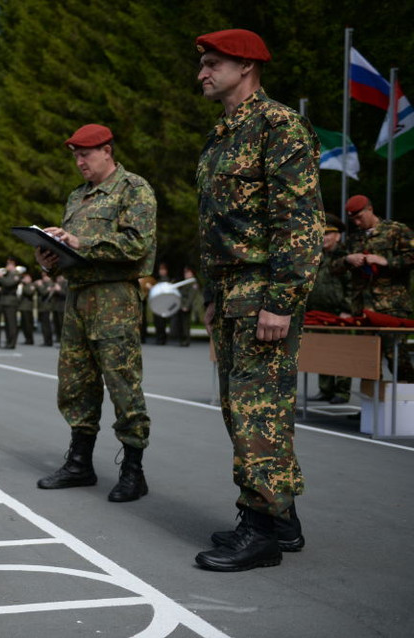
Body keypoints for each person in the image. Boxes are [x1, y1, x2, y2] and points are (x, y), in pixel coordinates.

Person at [194, 29, 323, 572]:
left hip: (261, 290)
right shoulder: (224, 133)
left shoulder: (278, 125)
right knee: (242, 409)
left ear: (246, 66)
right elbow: (217, 225)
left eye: (212, 63)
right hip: (229, 290)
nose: (201, 72)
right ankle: (282, 517)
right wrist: (209, 295)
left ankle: (262, 530)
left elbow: (300, 220)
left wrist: (283, 299)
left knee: (256, 413)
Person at [34, 122, 157, 503]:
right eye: (75, 157)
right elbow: (71, 256)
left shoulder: (133, 189)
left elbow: (137, 245)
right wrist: (48, 258)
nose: (79, 163)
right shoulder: (78, 197)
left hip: (114, 301)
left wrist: (80, 241)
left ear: (107, 150)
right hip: (78, 300)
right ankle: (79, 463)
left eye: (85, 155)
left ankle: (133, 470)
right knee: (75, 384)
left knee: (123, 384)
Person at [333, 194, 414, 381]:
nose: (356, 222)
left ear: (370, 209)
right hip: (362, 306)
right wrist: (347, 260)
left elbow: (411, 256)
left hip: (391, 305)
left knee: (395, 356)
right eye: (353, 219)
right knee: (367, 360)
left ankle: (406, 404)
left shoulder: (396, 230)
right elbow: (333, 266)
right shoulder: (354, 239)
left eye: (359, 217)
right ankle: (371, 409)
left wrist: (386, 261)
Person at [307, 215, 352, 403]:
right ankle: (325, 389)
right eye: (322, 234)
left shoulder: (345, 257)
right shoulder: (316, 257)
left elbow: (351, 285)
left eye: (329, 234)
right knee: (322, 350)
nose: (324, 238)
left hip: (338, 312)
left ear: (338, 236)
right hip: (318, 312)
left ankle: (341, 391)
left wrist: (348, 309)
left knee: (341, 352)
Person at [174, 266, 200, 347]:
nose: (186, 274)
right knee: (180, 323)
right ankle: (182, 339)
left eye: (188, 272)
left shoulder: (193, 283)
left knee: (185, 324)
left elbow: (191, 296)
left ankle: (186, 340)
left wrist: (186, 306)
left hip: (186, 306)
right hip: (180, 305)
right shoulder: (185, 282)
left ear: (192, 273)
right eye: (185, 272)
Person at [0, 259, 21, 349]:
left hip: (11, 301)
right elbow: (1, 284)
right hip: (5, 301)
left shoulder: (16, 275)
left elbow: (8, 284)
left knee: (11, 323)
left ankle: (12, 342)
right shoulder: (7, 275)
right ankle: (8, 341)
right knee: (7, 323)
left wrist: (0, 277)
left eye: (9, 265)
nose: (7, 266)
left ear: (13, 265)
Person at [35, 270, 56, 346]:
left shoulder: (50, 284)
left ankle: (48, 341)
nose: (43, 278)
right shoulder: (46, 284)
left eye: (45, 276)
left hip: (46, 307)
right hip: (42, 307)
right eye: (43, 276)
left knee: (46, 325)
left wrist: (40, 285)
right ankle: (46, 340)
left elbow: (43, 293)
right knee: (44, 325)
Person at [153, 263, 171, 345]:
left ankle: (162, 339)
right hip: (157, 303)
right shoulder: (156, 280)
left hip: (163, 304)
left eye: (163, 269)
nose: (162, 271)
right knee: (157, 322)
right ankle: (159, 338)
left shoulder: (167, 280)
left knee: (162, 322)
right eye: (161, 269)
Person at [17, 271, 36, 345]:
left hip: (27, 308)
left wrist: (23, 285)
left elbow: (29, 292)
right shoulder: (22, 286)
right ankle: (27, 338)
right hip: (22, 307)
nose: (24, 279)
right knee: (23, 325)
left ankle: (30, 339)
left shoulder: (31, 285)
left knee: (28, 325)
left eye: (26, 278)